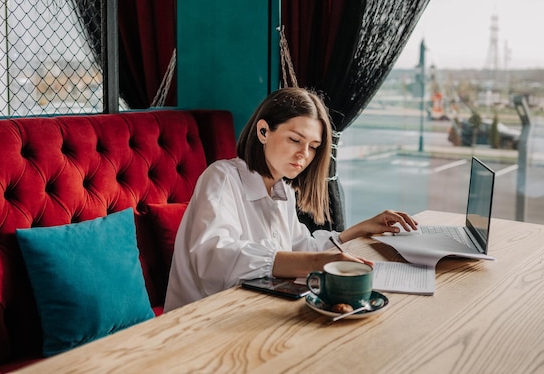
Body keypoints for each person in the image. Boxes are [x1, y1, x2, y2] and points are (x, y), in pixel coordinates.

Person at [164, 87, 418, 311]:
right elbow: (213, 259)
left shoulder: (282, 189)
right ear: (263, 131)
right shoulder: (221, 177)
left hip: (252, 310)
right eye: (295, 140)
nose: (304, 155)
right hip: (204, 318)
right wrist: (319, 262)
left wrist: (360, 229)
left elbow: (301, 248)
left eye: (313, 146)